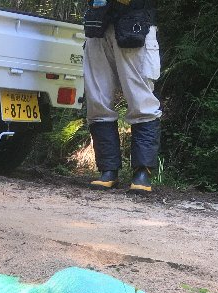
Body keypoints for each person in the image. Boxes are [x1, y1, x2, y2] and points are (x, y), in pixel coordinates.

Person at [82, 0, 161, 193]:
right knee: (97, 102)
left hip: (135, 27)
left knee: (142, 103)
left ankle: (142, 173)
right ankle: (108, 171)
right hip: (98, 26)